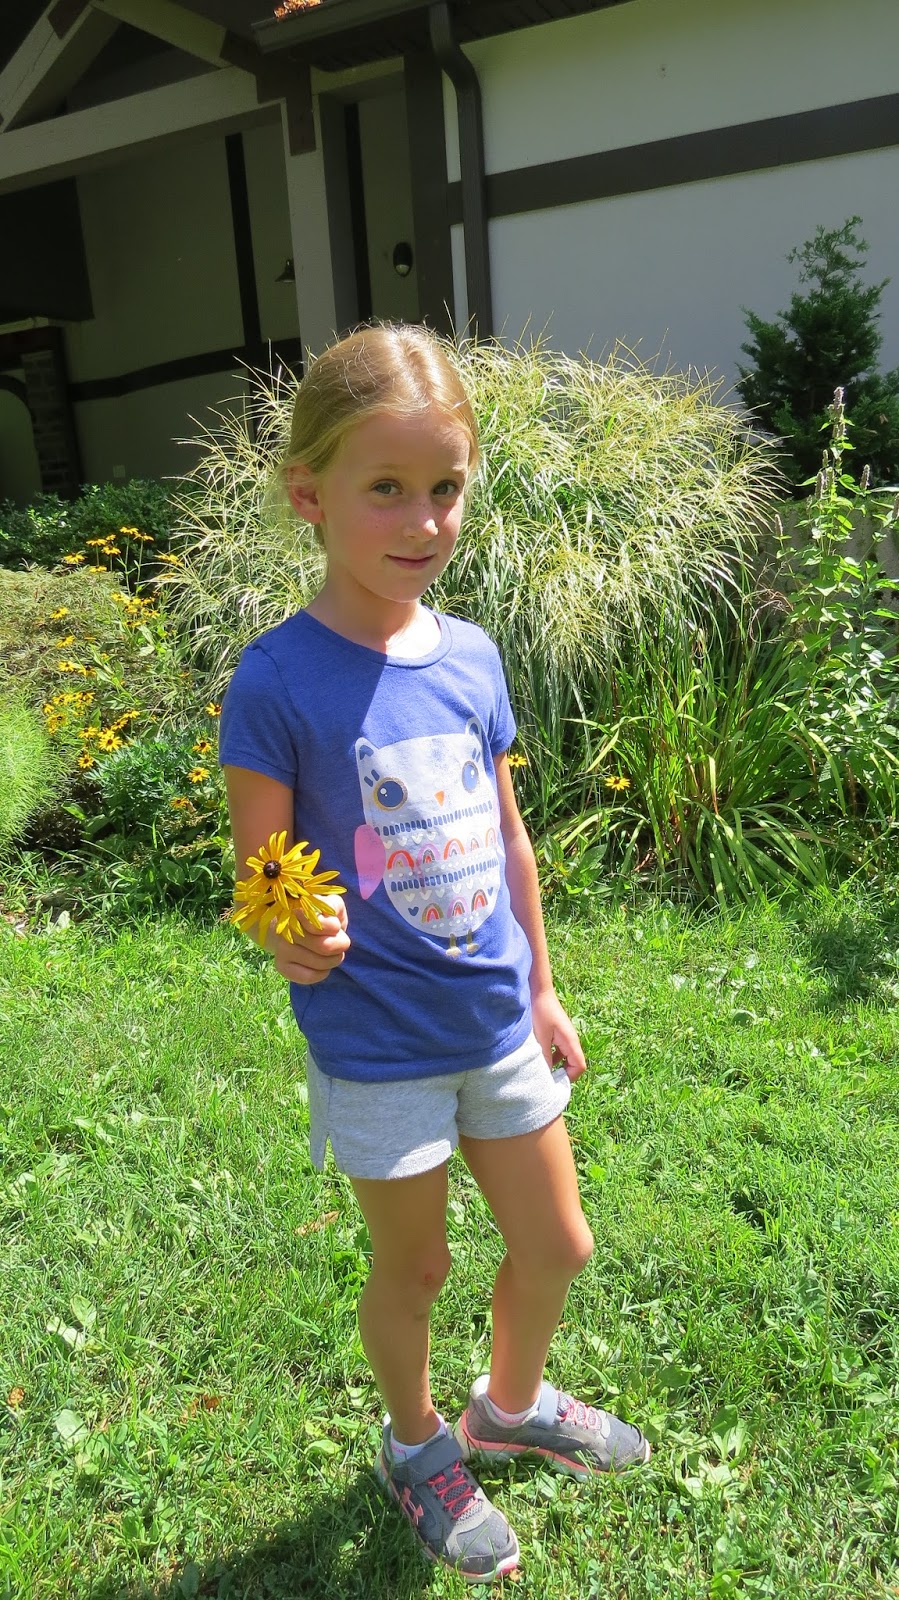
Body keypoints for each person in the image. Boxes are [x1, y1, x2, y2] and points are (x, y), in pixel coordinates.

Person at [218, 323, 650, 1583]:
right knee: (414, 1266)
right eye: (386, 488)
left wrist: (543, 985)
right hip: (378, 1045)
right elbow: (261, 870)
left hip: (495, 1021)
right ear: (311, 495)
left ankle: (507, 1407)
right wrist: (292, 935)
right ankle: (415, 1444)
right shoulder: (277, 679)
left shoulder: (469, 656)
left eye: (445, 487)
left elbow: (507, 835)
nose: (423, 521)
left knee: (558, 1243)